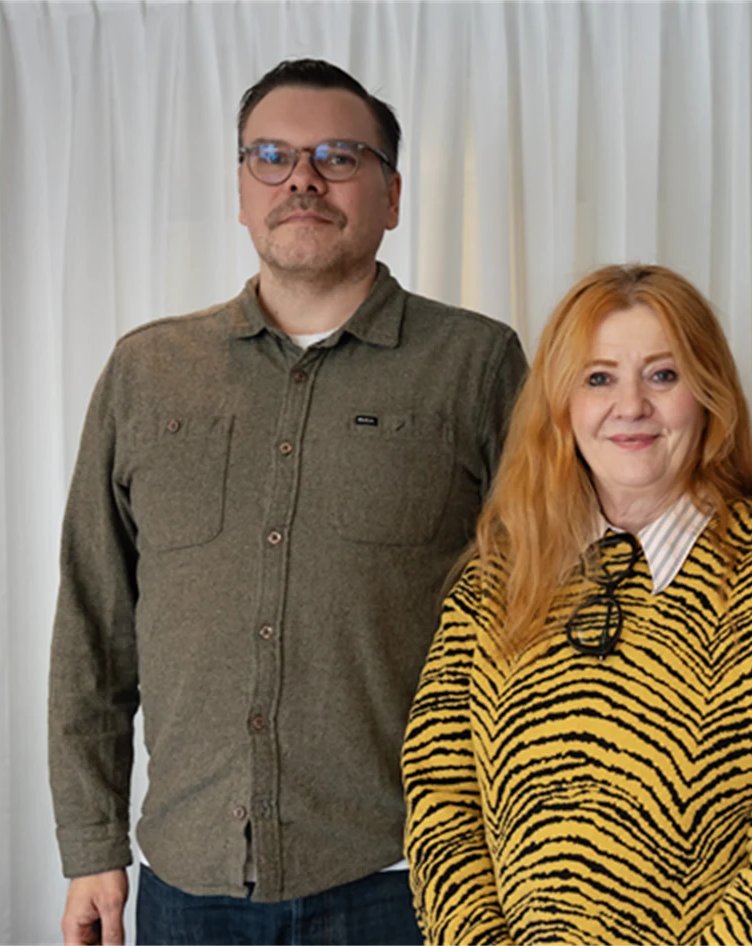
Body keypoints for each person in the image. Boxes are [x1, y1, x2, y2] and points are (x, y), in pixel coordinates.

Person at [49, 59, 527, 946]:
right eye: (272, 155)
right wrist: (90, 845)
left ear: (391, 195)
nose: (302, 177)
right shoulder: (146, 373)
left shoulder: (478, 365)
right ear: (241, 189)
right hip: (187, 883)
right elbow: (92, 624)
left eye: (339, 156)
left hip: (406, 878)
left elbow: (537, 611)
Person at [402, 263, 752, 945]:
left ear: (709, 393)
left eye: (663, 375)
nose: (631, 406)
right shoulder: (498, 577)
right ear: (561, 403)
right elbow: (441, 800)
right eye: (598, 378)